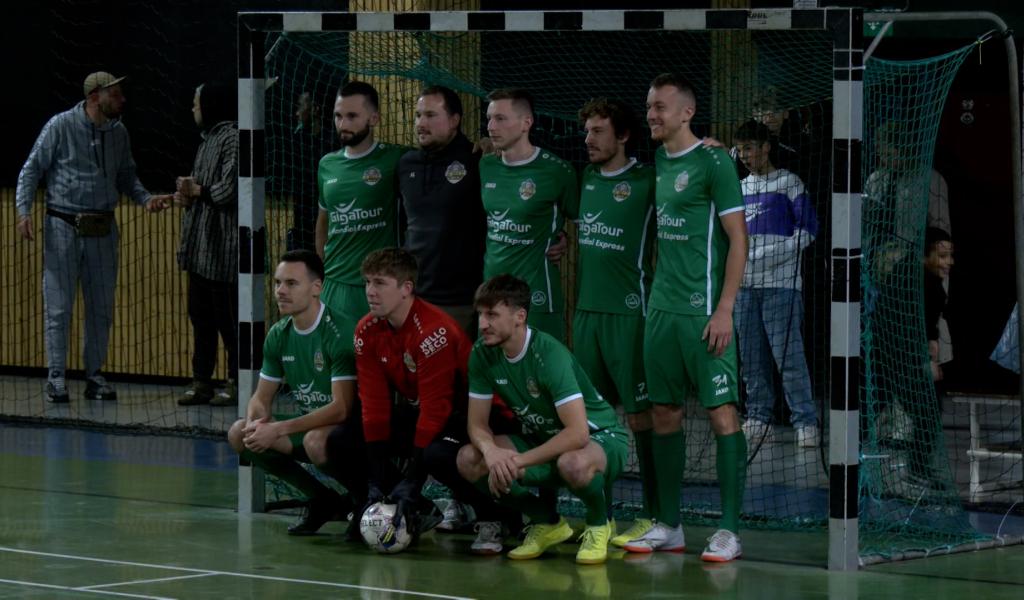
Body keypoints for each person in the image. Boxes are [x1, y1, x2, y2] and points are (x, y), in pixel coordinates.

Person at [623, 73, 748, 562]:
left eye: (659, 107)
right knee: (663, 415)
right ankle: (670, 526)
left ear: (686, 112)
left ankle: (730, 530)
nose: (651, 114)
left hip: (705, 316)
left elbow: (739, 240)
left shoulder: (716, 162)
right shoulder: (656, 159)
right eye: (649, 106)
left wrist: (725, 309)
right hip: (660, 314)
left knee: (721, 416)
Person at [15, 71, 171, 403]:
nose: (122, 100)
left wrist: (146, 199)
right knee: (58, 306)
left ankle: (94, 375)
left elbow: (127, 175)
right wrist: (23, 211)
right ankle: (55, 377)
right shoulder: (60, 125)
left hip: (103, 228)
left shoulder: (119, 133)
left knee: (101, 307)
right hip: (62, 227)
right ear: (94, 97)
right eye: (115, 95)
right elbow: (31, 169)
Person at [457, 274, 628, 565]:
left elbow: (577, 435)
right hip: (545, 440)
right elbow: (476, 424)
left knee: (571, 463)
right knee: (469, 459)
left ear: (519, 316)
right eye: (481, 314)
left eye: (492, 315)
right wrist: (492, 452)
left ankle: (599, 525)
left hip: (601, 439)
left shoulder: (549, 355)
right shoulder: (481, 354)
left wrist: (517, 462)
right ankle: (548, 522)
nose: (483, 323)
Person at [354, 248, 515, 553]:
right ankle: (394, 506)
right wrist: (376, 480)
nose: (370, 292)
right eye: (367, 283)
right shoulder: (367, 329)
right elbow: (374, 408)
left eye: (379, 283)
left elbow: (436, 410)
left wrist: (412, 480)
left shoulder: (432, 331)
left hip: (479, 413)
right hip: (434, 413)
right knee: (345, 437)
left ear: (406, 288)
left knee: (438, 455)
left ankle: (495, 516)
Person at [227, 250, 366, 536]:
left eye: (291, 283)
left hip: (351, 432)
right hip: (312, 428)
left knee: (316, 442)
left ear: (317, 288)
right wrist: (257, 419)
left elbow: (342, 408)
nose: (280, 291)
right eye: (277, 282)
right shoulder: (279, 334)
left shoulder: (339, 332)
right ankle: (322, 500)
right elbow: (261, 397)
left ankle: (365, 500)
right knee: (240, 433)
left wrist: (278, 429)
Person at [571, 98, 659, 548]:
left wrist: (711, 149)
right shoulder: (583, 178)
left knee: (642, 416)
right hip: (585, 315)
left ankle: (654, 514)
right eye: (587, 130)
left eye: (599, 131)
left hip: (630, 315)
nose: (589, 139)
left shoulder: (647, 179)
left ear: (623, 135)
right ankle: (599, 516)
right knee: (589, 419)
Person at [731, 120, 820, 447]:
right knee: (751, 359)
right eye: (740, 150)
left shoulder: (788, 183)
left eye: (750, 148)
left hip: (781, 287)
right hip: (744, 288)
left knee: (789, 358)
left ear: (766, 147)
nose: (745, 156)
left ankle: (805, 421)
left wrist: (765, 254)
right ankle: (758, 417)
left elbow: (808, 231)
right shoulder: (738, 188)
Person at [479, 88, 578, 342]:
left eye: (500, 118)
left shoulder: (557, 172)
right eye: (489, 118)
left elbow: (584, 223)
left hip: (537, 297)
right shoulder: (485, 165)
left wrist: (561, 235)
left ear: (526, 123)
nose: (491, 126)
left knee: (541, 376)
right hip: (492, 294)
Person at [316, 81, 407, 327]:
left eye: (352, 116)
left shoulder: (396, 159)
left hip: (380, 285)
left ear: (374, 118)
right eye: (338, 116)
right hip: (335, 286)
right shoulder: (327, 165)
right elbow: (323, 222)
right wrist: (323, 273)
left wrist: (484, 146)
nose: (343, 124)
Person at [399, 85, 486, 335]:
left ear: (454, 120)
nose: (421, 123)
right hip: (412, 298)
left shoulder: (477, 160)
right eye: (418, 115)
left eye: (430, 115)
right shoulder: (406, 164)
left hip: (460, 303)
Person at [174, 81, 240, 407]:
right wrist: (181, 194)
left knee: (229, 323)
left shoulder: (235, 138)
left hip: (224, 250)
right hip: (200, 248)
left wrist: (197, 190)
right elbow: (198, 187)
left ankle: (238, 382)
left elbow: (229, 190)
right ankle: (201, 381)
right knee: (200, 319)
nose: (192, 109)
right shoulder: (207, 141)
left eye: (196, 102)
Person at [908, 227, 954, 485]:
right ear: (925, 256)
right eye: (943, 256)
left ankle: (918, 467)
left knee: (929, 408)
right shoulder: (921, 284)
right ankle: (917, 469)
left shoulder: (934, 285)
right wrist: (927, 361)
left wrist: (932, 351)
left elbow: (929, 326)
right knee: (928, 408)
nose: (949, 263)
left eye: (950, 256)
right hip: (896, 355)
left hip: (909, 355)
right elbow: (918, 325)